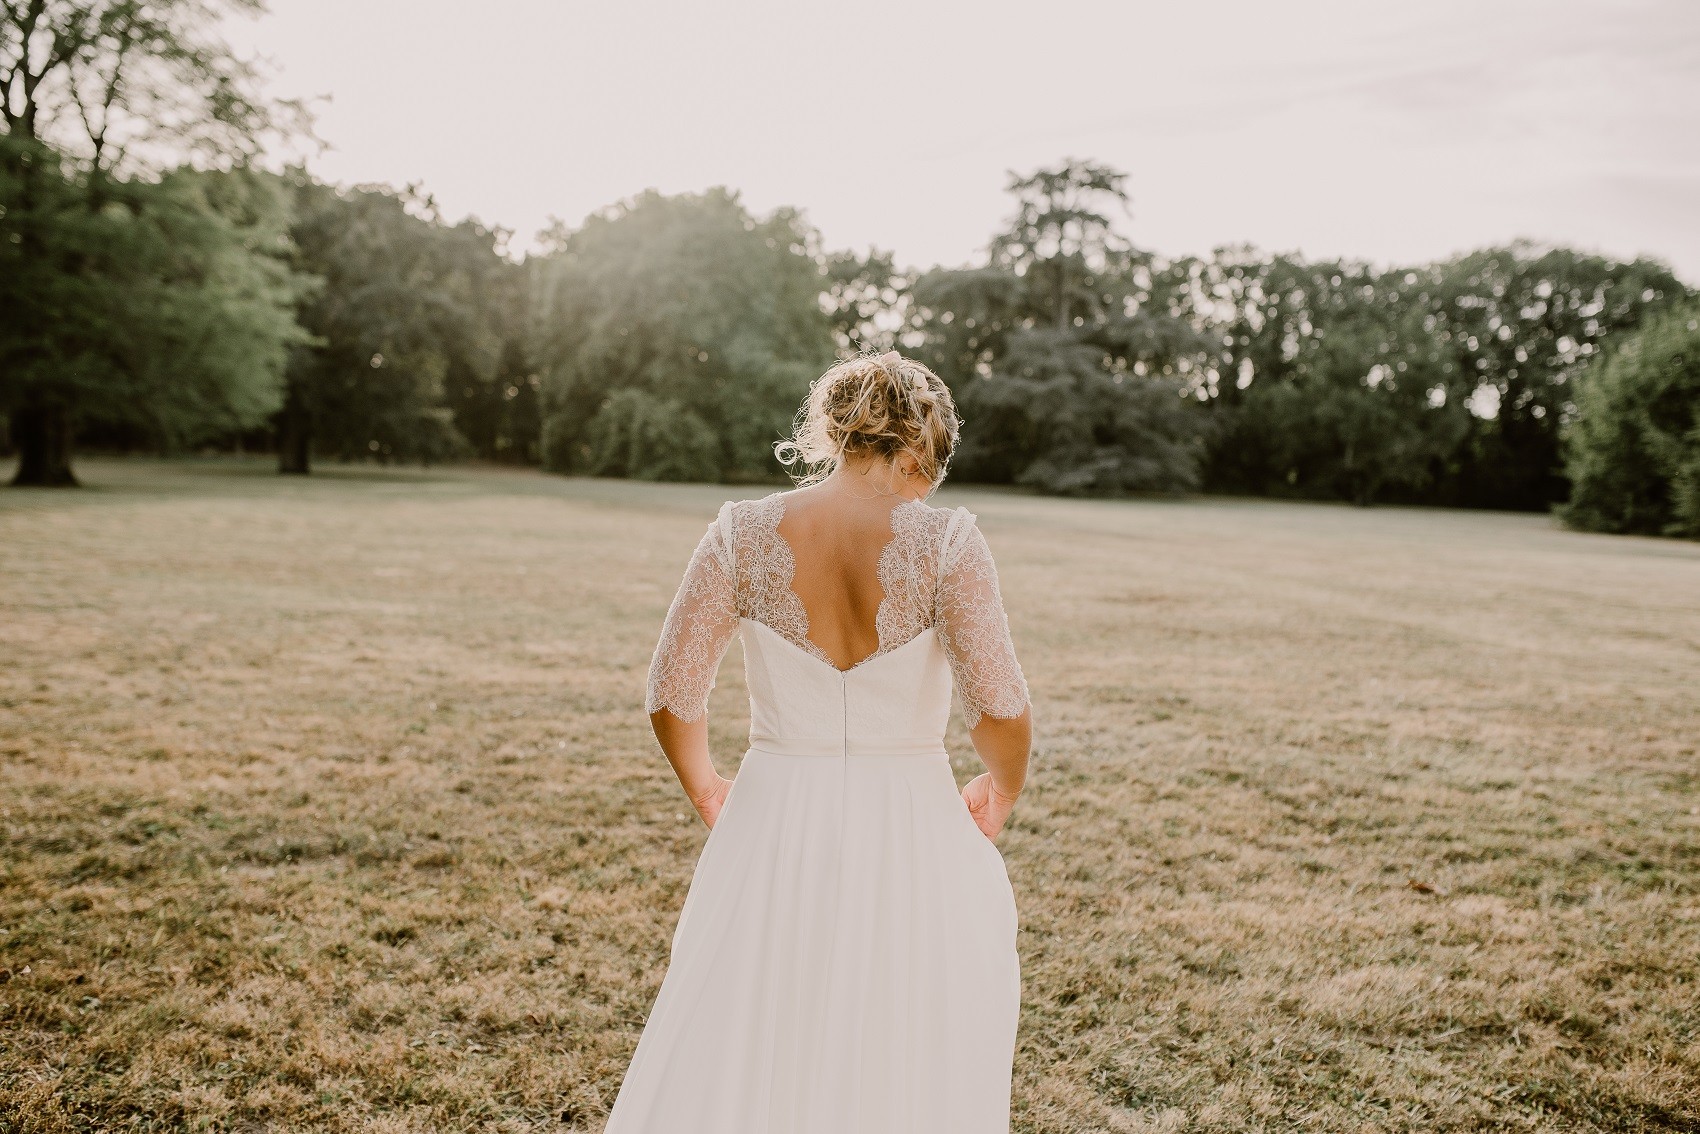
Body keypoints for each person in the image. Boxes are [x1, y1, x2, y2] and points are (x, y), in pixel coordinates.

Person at [604, 351, 1034, 1133]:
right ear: (916, 453)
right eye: (929, 471)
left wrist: (708, 788)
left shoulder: (740, 533)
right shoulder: (947, 544)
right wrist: (1001, 788)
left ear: (834, 434)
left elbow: (671, 695)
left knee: (754, 1027)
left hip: (771, 816)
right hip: (911, 822)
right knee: (900, 1033)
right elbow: (1000, 710)